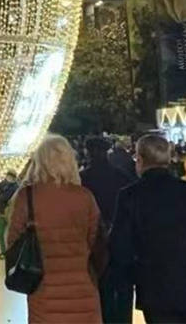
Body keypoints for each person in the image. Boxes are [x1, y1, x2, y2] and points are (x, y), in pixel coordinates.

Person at [110, 133, 186, 324]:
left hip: (156, 289)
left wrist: (126, 284)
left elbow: (121, 247)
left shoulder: (130, 196)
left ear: (140, 159)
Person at [6, 134, 103, 323]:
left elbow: (13, 242)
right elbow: (96, 241)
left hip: (43, 292)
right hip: (82, 289)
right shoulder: (85, 197)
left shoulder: (27, 197)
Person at [80, 138, 134, 322]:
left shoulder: (82, 180)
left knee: (99, 288)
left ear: (87, 152)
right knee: (122, 290)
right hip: (119, 239)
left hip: (93, 241)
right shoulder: (121, 177)